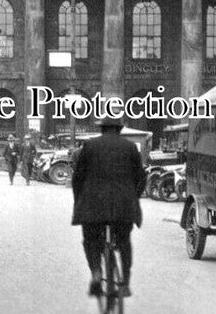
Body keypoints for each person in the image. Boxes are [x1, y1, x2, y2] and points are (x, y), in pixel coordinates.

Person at [71, 116, 146, 298]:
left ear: (102, 129)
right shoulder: (129, 147)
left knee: (90, 240)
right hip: (123, 206)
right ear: (119, 130)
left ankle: (96, 272)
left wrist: (78, 201)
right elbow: (141, 178)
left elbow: (77, 178)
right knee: (124, 242)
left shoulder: (89, 146)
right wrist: (133, 198)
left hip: (93, 205)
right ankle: (125, 284)